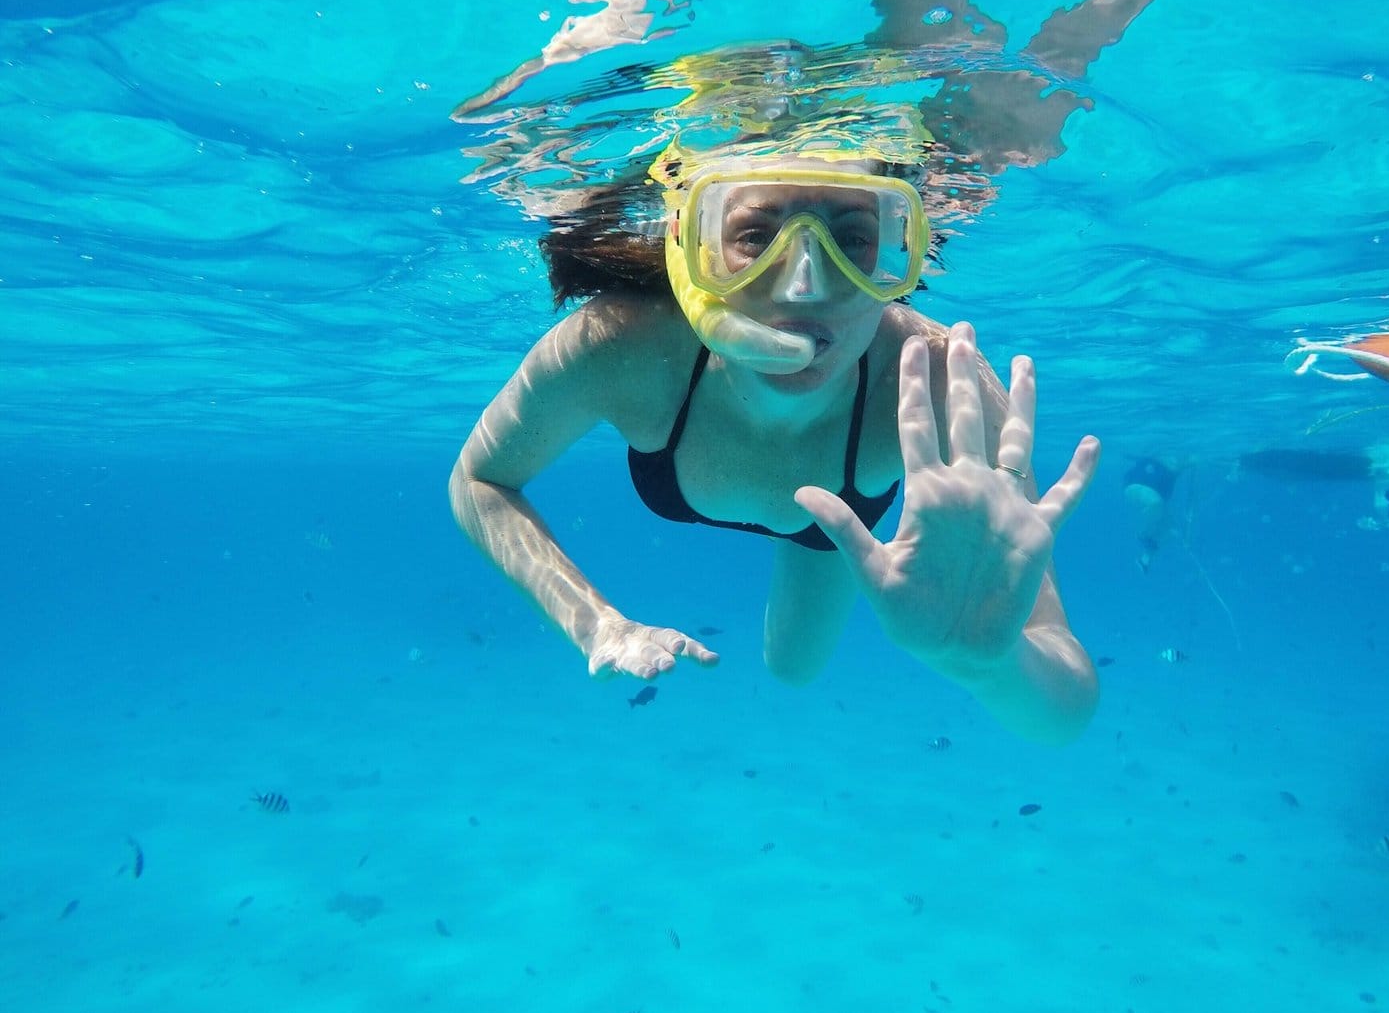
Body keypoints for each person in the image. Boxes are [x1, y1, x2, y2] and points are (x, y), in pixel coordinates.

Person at [449, 145, 1102, 745]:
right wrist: (596, 624)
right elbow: (478, 480)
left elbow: (1064, 707)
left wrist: (990, 664)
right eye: (756, 237)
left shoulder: (938, 378)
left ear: (896, 251)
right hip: (810, 476)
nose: (805, 285)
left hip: (832, 524)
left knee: (793, 668)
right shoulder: (618, 346)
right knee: (793, 668)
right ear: (690, 246)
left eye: (852, 239)